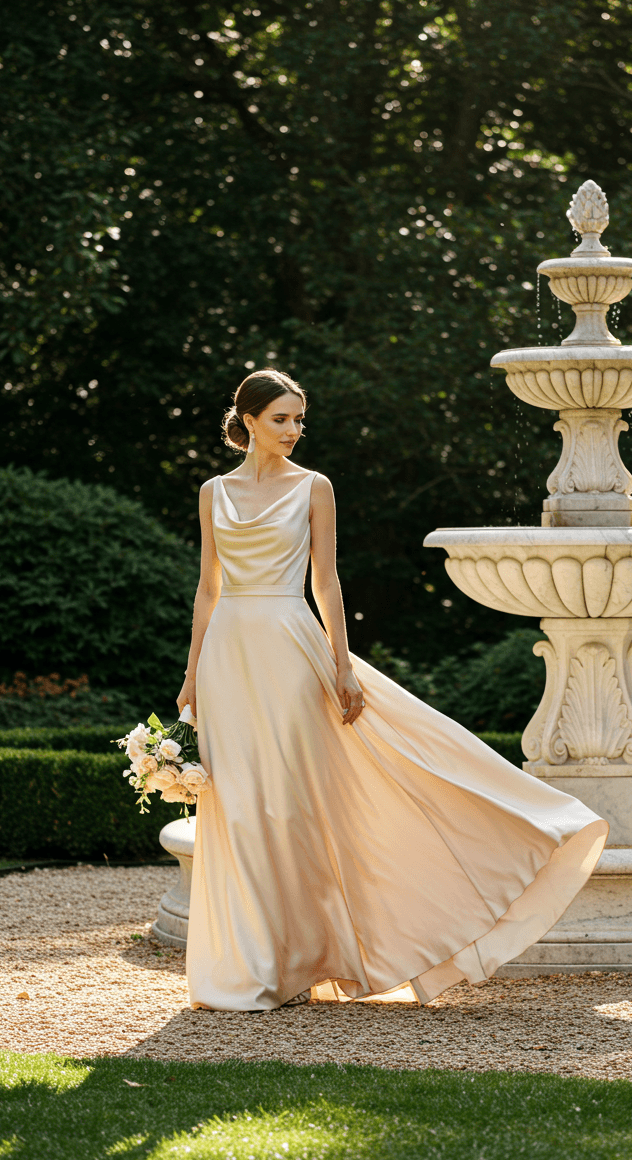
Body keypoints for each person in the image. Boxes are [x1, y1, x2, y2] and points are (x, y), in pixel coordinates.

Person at [177, 368, 608, 1011]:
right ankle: (246, 962)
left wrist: (343, 665)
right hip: (227, 657)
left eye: (300, 420)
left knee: (290, 805)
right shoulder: (213, 492)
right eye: (281, 420)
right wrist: (190, 676)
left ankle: (297, 959)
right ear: (247, 421)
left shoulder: (314, 488)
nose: (294, 431)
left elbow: (326, 583)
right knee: (236, 804)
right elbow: (209, 587)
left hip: (291, 650)